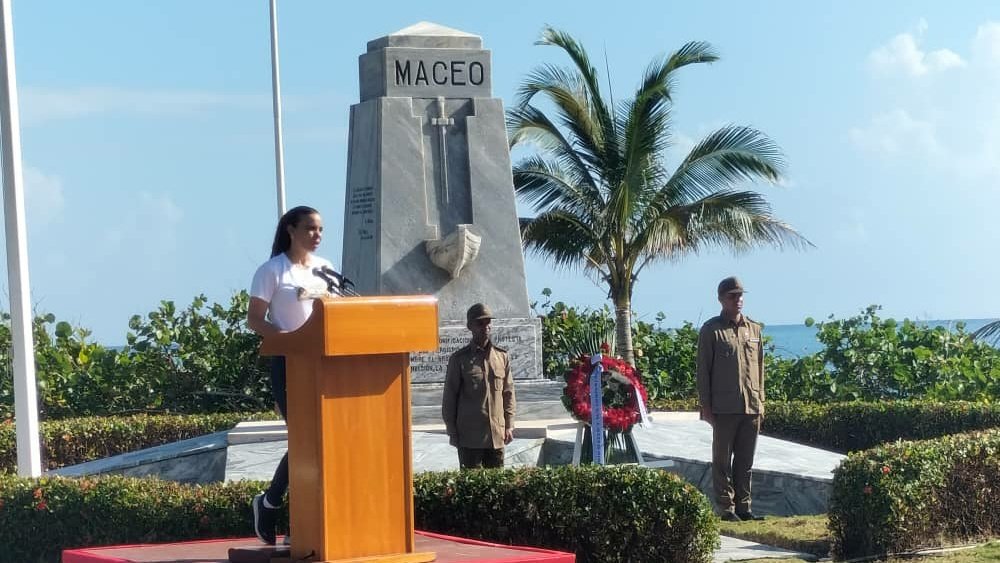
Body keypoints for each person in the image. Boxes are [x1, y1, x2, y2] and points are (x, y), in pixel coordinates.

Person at [247, 205, 336, 544]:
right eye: (311, 229)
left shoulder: (326, 270)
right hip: (289, 363)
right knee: (303, 438)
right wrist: (286, 342)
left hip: (324, 363)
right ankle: (271, 504)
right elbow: (254, 319)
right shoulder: (272, 271)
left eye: (321, 230)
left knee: (321, 440)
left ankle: (300, 523)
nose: (318, 236)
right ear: (291, 230)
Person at [696, 276, 766, 522]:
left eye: (740, 295)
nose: (738, 300)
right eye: (732, 296)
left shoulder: (754, 329)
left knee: (746, 460)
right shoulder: (712, 330)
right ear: (721, 299)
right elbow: (703, 371)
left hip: (751, 405)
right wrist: (706, 407)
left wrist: (761, 402)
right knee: (722, 461)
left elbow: (760, 367)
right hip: (724, 407)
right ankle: (726, 509)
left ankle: (744, 507)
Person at [441, 303, 516, 469]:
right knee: (471, 490)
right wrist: (452, 431)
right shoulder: (459, 359)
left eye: (488, 322)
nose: (485, 327)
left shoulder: (501, 357)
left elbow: (508, 393)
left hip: (496, 436)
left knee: (497, 489)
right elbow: (449, 398)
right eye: (480, 323)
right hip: (470, 438)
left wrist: (509, 425)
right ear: (470, 326)